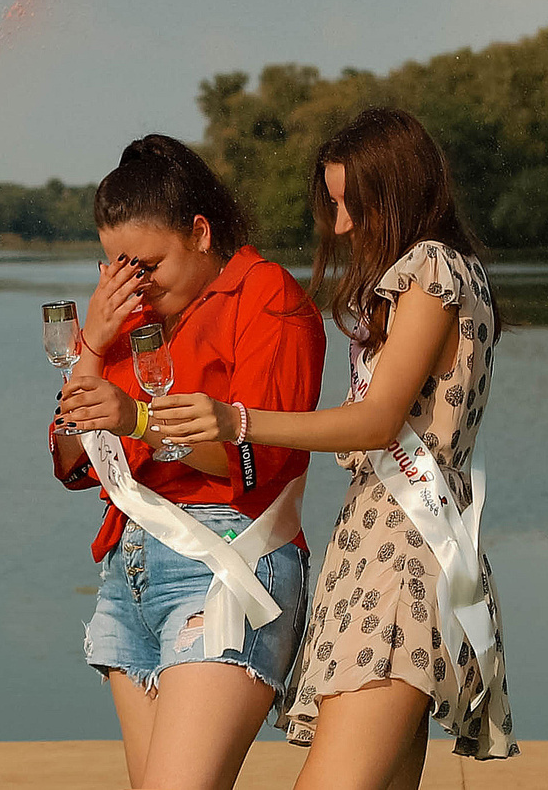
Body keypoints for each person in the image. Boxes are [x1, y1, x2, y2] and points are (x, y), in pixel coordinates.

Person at [149, 107, 516, 787]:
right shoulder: (447, 271)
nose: (341, 224)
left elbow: (375, 422)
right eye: (336, 204)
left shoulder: (430, 269)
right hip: (386, 546)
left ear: (399, 192)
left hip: (401, 558)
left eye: (353, 203)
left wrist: (238, 421)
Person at [53, 135, 325, 790]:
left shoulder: (265, 296)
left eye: (145, 263)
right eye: (115, 265)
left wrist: (137, 418)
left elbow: (265, 455)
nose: (132, 282)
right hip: (128, 575)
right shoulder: (124, 317)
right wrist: (90, 340)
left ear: (200, 232)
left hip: (225, 558)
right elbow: (70, 460)